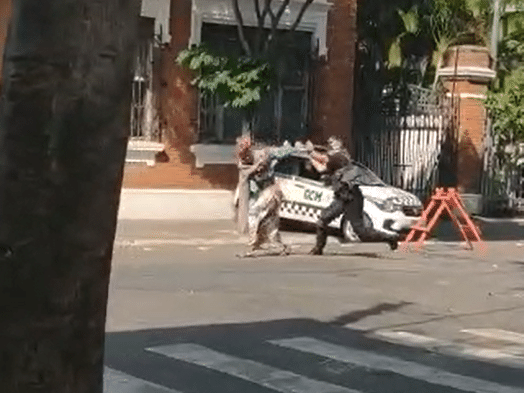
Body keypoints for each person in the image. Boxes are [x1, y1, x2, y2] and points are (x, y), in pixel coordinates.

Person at [307, 137, 399, 255]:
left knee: (362, 233)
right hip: (341, 197)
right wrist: (310, 155)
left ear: (340, 145)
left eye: (334, 143)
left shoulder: (339, 157)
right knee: (322, 220)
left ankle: (390, 238)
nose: (330, 145)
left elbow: (322, 163)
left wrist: (311, 152)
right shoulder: (335, 158)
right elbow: (322, 167)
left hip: (352, 197)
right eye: (329, 143)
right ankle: (318, 248)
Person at [235, 136, 293, 256]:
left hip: (270, 190)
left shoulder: (264, 152)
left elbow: (282, 152)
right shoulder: (243, 162)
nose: (245, 157)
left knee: (255, 213)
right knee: (268, 220)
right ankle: (275, 245)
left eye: (246, 153)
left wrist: (290, 147)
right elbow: (247, 172)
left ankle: (254, 244)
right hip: (261, 191)